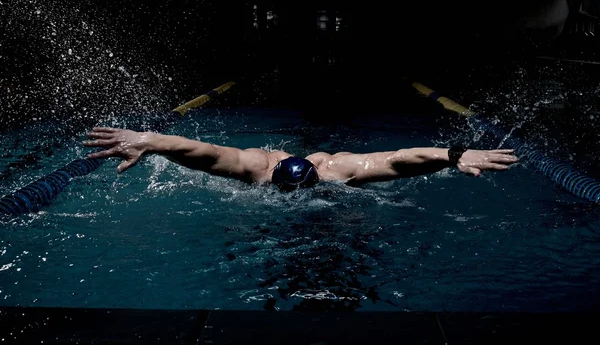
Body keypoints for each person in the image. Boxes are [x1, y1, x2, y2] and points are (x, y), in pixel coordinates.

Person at [82, 126, 519, 190]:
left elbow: (400, 158)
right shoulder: (256, 165)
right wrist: (152, 139)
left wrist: (454, 154)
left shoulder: (338, 169)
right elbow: (206, 153)